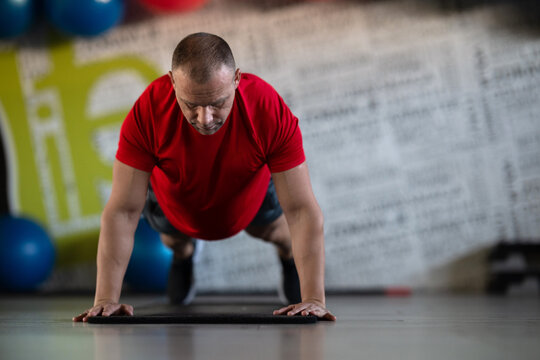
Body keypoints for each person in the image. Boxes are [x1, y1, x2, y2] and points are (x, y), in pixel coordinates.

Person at [73, 32, 336, 322]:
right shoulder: (148, 112)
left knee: (278, 232)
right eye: (191, 105)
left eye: (217, 103)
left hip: (248, 196)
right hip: (177, 200)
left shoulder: (267, 109)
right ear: (172, 82)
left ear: (237, 79)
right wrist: (105, 299)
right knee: (175, 241)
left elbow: (301, 210)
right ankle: (184, 256)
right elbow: (122, 211)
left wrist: (313, 298)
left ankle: (287, 258)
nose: (204, 118)